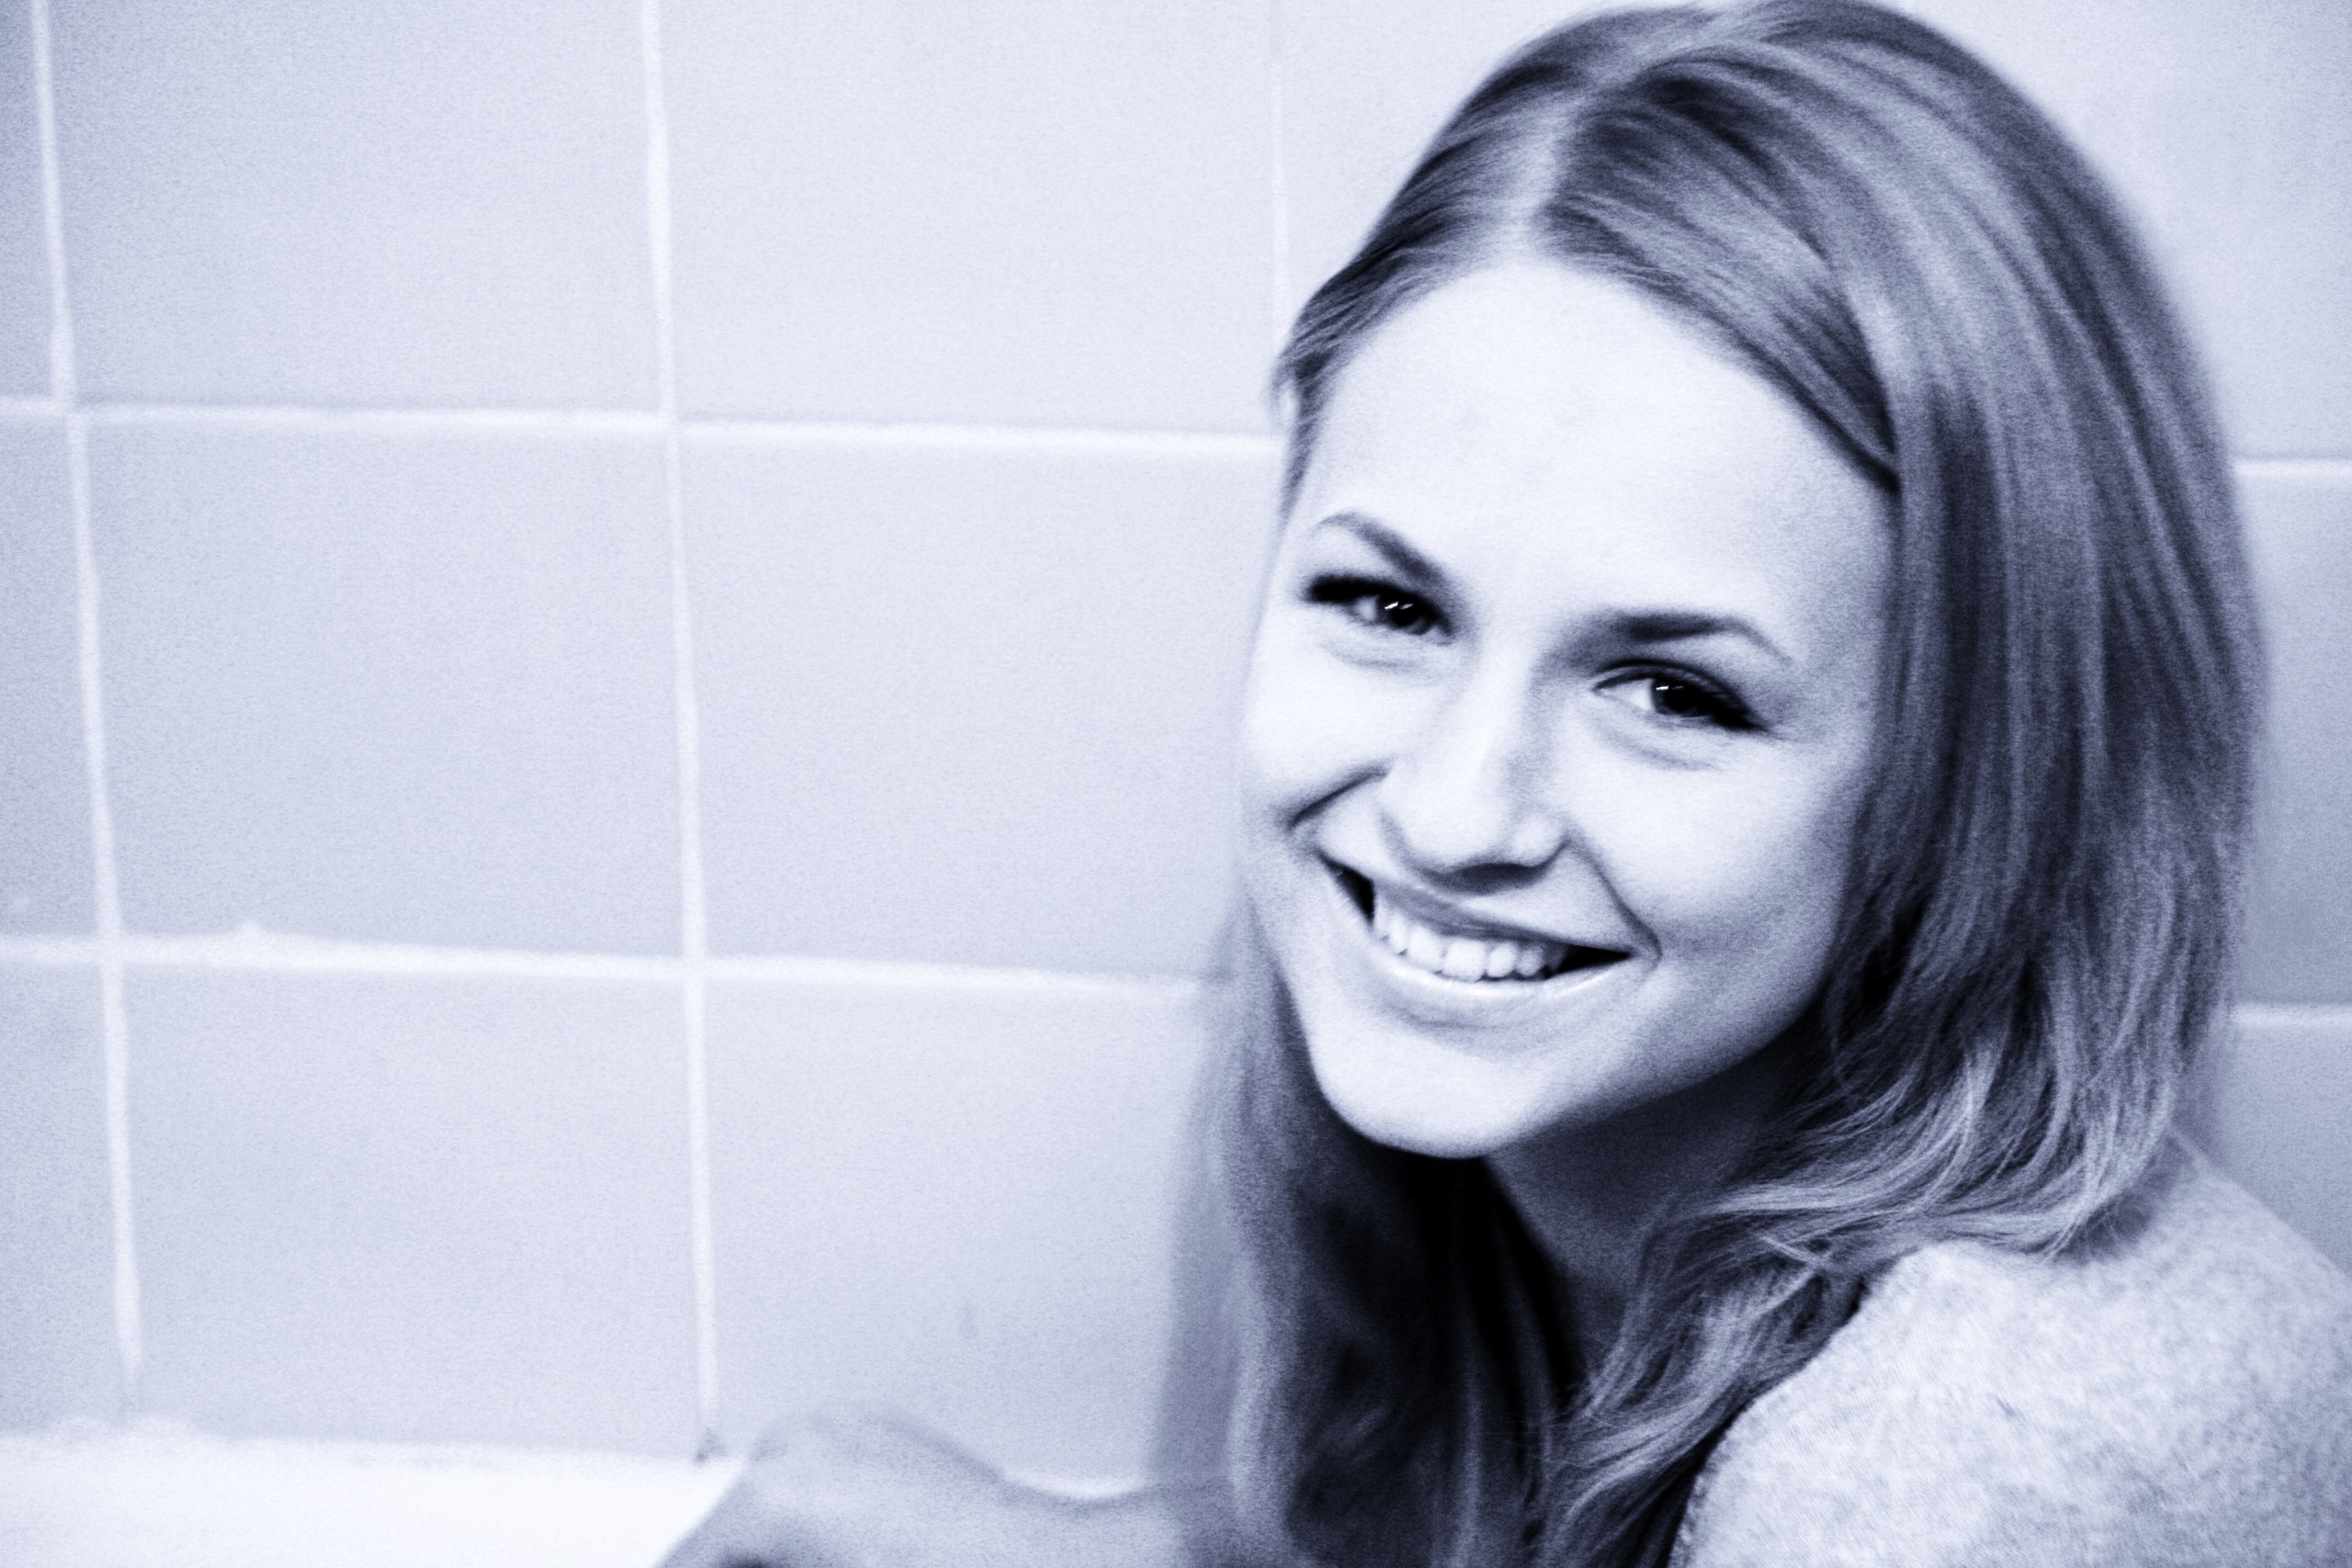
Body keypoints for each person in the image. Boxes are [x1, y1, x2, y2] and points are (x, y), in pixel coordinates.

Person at [662, 3, 2352, 1564]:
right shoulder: (1636, 1247)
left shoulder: (1954, 1473)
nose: (1453, 814)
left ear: (1986, 789)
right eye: (1390, 607)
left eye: (1675, 694)